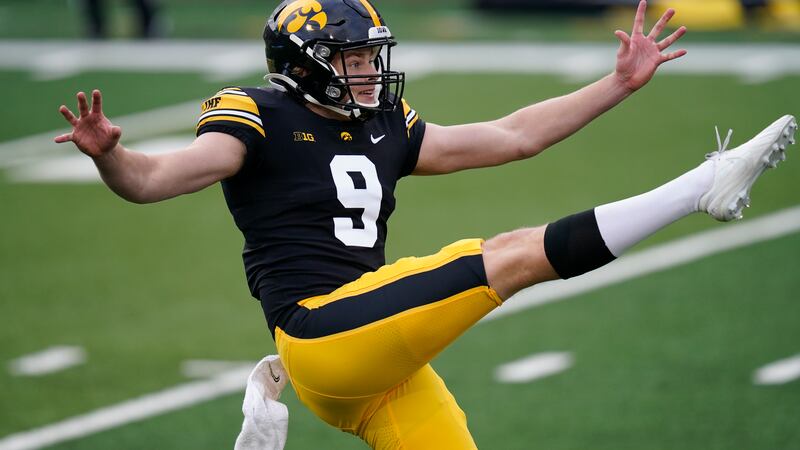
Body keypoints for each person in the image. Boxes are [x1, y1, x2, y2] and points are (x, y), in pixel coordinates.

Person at [55, 0, 796, 448]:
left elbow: (513, 136)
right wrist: (111, 158)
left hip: (377, 366)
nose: (369, 73)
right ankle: (704, 183)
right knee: (503, 256)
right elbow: (152, 181)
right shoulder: (256, 116)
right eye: (350, 59)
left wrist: (617, 84)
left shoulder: (385, 125)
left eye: (372, 56)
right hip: (319, 335)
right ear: (305, 65)